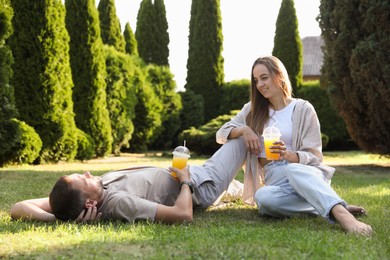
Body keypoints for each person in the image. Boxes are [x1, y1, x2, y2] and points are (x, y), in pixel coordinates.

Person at [215, 55, 372, 236]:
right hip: (275, 178)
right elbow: (221, 133)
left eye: (264, 77)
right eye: (256, 80)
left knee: (293, 170)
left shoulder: (304, 109)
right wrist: (244, 130)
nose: (260, 85)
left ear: (279, 75)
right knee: (263, 198)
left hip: (304, 172)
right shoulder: (252, 110)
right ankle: (325, 202)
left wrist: (291, 156)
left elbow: (315, 156)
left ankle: (343, 215)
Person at [10, 137, 248, 224]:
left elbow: (18, 207)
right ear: (90, 205)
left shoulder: (77, 197)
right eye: (83, 179)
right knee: (243, 137)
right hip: (201, 184)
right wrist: (186, 181)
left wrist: (59, 218)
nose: (87, 174)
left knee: (243, 190)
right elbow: (183, 215)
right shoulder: (118, 203)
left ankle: (245, 190)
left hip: (191, 172)